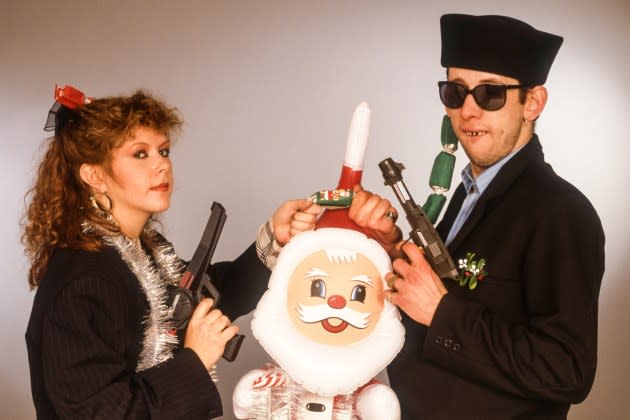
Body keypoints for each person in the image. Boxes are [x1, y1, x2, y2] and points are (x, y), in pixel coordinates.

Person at [345, 14, 606, 420]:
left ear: (532, 103)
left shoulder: (561, 212)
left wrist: (441, 313)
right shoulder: (467, 196)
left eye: (491, 94)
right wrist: (391, 248)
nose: (468, 111)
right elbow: (443, 293)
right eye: (455, 92)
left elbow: (566, 370)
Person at [22, 88, 320, 419]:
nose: (162, 165)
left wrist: (275, 240)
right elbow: (97, 413)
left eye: (163, 151)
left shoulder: (144, 250)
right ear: (95, 176)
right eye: (140, 154)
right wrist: (194, 358)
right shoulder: (84, 279)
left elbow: (197, 302)